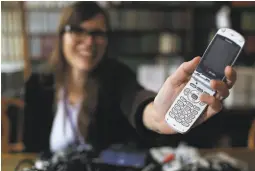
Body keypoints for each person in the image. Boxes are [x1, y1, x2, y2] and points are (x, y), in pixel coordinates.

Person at [23, 1, 237, 153]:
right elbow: (28, 149)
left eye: (98, 34)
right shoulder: (38, 84)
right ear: (61, 36)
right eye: (78, 30)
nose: (89, 42)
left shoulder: (116, 75)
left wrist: (157, 116)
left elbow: (136, 100)